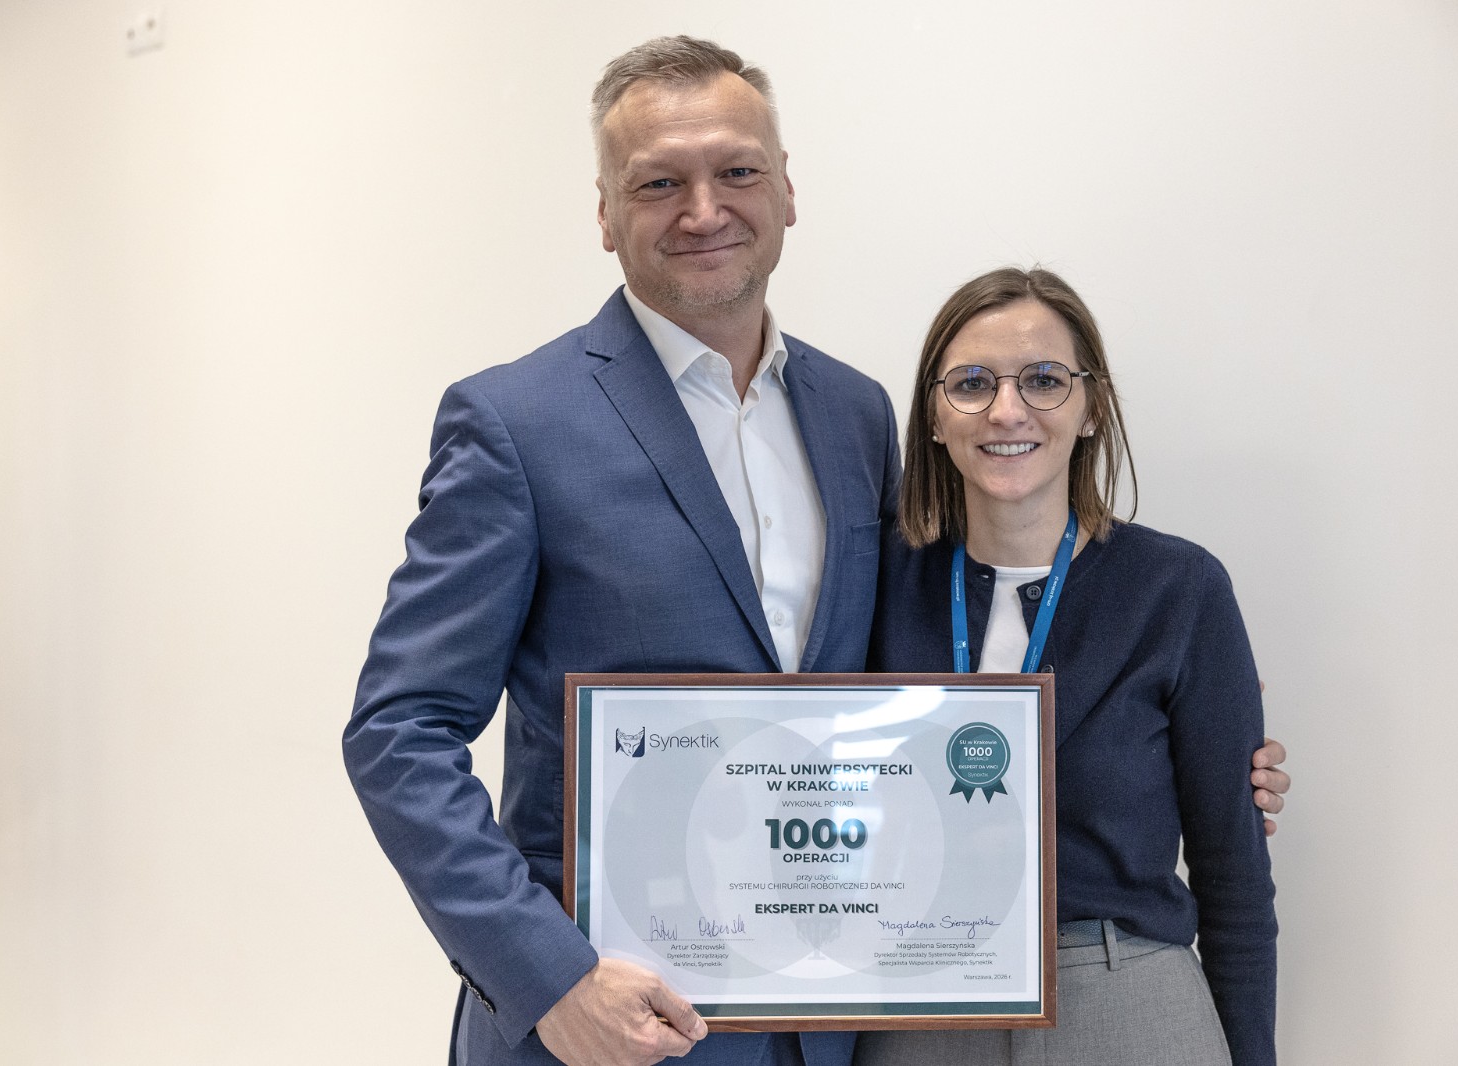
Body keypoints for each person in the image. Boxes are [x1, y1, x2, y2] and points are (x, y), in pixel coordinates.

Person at [343, 37, 1289, 1066]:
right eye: (658, 182)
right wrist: (548, 976)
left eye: (737, 170)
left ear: (786, 191)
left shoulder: (852, 414)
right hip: (612, 1025)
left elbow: (902, 689)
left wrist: (1206, 762)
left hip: (834, 1023)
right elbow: (399, 730)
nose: (704, 209)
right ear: (606, 214)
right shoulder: (515, 423)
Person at [859, 267, 1278, 1065]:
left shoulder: (1179, 590)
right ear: (935, 418)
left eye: (1045, 380)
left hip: (1124, 996)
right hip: (922, 999)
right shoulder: (875, 586)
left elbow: (1235, 881)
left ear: (1092, 409)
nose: (1007, 410)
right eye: (972, 384)